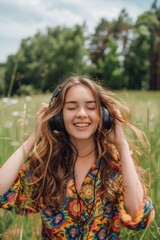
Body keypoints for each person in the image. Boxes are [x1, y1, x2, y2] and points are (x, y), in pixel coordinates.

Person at [0, 75, 155, 239]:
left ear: (104, 116)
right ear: (57, 117)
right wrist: (34, 137)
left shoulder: (115, 166)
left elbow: (138, 217)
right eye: (72, 107)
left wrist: (122, 145)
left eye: (91, 107)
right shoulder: (47, 165)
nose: (81, 114)